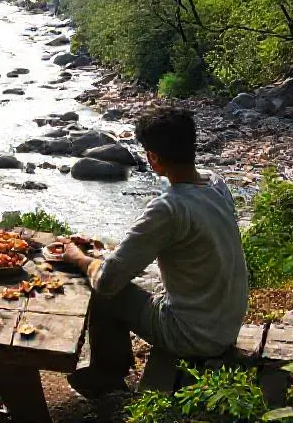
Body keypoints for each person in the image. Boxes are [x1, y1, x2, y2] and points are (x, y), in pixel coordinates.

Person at [62, 107, 249, 397]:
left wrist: (78, 257)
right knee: (114, 275)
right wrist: (102, 250)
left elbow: (108, 280)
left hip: (193, 335)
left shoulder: (170, 208)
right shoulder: (215, 184)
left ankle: (107, 375)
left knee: (104, 290)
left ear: (153, 158)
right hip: (225, 323)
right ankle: (112, 369)